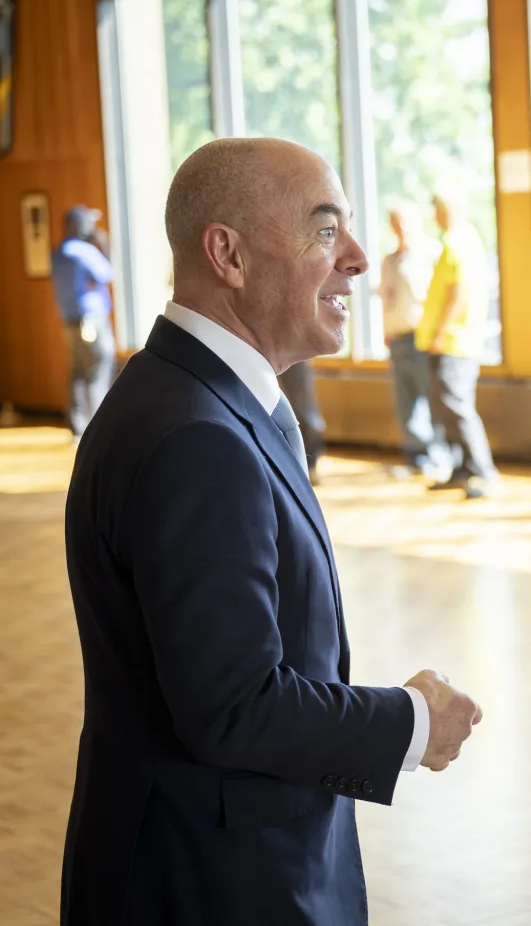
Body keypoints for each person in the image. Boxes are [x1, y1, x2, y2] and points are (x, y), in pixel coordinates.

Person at [60, 137, 483, 925]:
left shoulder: (193, 398)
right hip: (212, 882)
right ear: (229, 254)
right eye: (325, 231)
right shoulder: (198, 438)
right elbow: (233, 704)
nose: (356, 258)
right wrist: (413, 720)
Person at [415, 188, 498, 500]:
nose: (435, 213)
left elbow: (457, 291)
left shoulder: (456, 242)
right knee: (447, 409)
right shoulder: (466, 239)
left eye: (438, 207)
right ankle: (461, 470)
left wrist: (440, 332)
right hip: (453, 341)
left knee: (457, 407)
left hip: (452, 342)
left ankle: (482, 470)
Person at [377, 204, 447, 478]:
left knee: (430, 397)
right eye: (394, 223)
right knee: (405, 398)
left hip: (423, 338)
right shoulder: (389, 260)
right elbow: (386, 298)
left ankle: (439, 455)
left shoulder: (431, 254)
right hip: (397, 337)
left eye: (404, 222)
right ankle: (415, 455)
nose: (400, 228)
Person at [50, 204, 115, 439]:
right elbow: (108, 273)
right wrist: (103, 244)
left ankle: (78, 427)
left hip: (69, 321)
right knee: (98, 367)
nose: (92, 228)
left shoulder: (58, 252)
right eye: (89, 223)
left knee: (77, 371)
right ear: (77, 226)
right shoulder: (83, 251)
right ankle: (99, 428)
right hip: (91, 321)